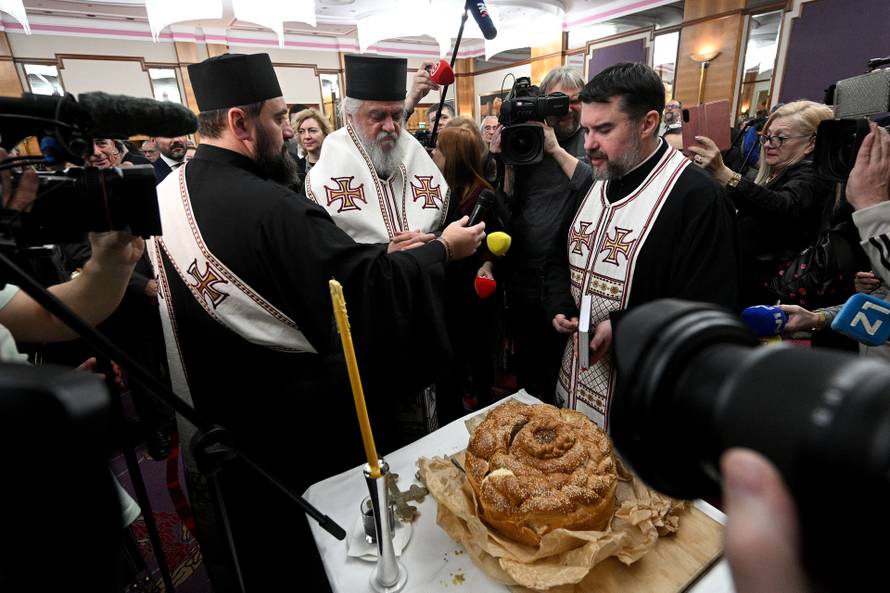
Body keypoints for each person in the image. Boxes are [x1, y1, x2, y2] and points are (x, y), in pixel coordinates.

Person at [147, 52, 484, 592]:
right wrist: (442, 250)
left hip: (219, 414)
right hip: (287, 426)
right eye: (280, 118)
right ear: (240, 122)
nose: (289, 131)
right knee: (303, 554)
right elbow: (360, 292)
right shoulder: (273, 207)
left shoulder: (166, 194)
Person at [544, 62, 739, 428]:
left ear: (648, 123)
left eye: (604, 129)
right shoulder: (595, 182)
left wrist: (624, 326)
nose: (589, 145)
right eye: (586, 130)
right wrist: (560, 305)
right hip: (576, 379)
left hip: (642, 394)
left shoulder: (697, 196)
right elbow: (558, 257)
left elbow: (710, 309)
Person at [490, 66, 589, 402]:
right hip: (524, 275)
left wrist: (556, 150)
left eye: (576, 100)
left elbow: (597, 187)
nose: (569, 109)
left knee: (565, 368)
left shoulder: (590, 139)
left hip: (567, 277)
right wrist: (503, 160)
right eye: (560, 101)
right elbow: (508, 204)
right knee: (529, 368)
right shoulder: (525, 137)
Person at [688, 100, 836, 308]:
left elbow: (782, 207)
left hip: (772, 297)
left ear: (811, 143)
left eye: (780, 138)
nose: (768, 144)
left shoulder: (814, 175)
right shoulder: (779, 173)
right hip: (750, 286)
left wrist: (726, 175)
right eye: (767, 137)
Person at [307, 54, 450, 243]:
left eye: (397, 116)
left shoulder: (414, 151)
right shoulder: (324, 177)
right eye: (377, 116)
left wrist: (433, 240)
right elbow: (323, 250)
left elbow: (448, 222)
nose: (390, 127)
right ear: (350, 116)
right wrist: (387, 253)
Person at [432, 126, 502, 420]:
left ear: (455, 157)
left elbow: (497, 241)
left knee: (478, 355)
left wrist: (487, 265)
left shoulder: (484, 196)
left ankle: (484, 410)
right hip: (450, 290)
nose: (433, 153)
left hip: (474, 293)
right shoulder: (445, 191)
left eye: (439, 149)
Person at [291, 107, 333, 189]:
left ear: (325, 133)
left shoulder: (336, 164)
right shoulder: (296, 169)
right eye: (301, 131)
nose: (306, 136)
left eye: (312, 130)